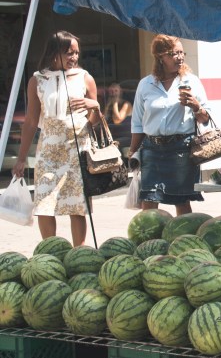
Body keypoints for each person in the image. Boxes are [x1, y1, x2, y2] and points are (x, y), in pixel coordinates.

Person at [11, 30, 102, 246]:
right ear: (54, 52)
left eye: (76, 53)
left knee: (77, 206)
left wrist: (94, 106)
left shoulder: (85, 77)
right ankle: (50, 252)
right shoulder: (38, 80)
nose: (74, 57)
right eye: (69, 52)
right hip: (48, 151)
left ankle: (78, 252)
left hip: (78, 149)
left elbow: (96, 122)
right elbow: (32, 122)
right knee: (44, 203)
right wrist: (22, 158)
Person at [127, 34, 211, 216]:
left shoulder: (191, 81)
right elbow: (138, 123)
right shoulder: (146, 84)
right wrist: (133, 151)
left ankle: (184, 241)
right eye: (174, 53)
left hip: (181, 149)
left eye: (182, 53)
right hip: (152, 149)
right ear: (160, 57)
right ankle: (149, 242)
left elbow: (206, 118)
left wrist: (196, 106)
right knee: (149, 201)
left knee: (181, 200)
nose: (180, 57)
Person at [103, 82, 133, 149]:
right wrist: (108, 106)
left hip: (126, 136)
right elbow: (103, 119)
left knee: (114, 145)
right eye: (111, 91)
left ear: (120, 92)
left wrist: (115, 103)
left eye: (116, 91)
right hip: (113, 134)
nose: (113, 93)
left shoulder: (126, 104)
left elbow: (117, 120)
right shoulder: (108, 104)